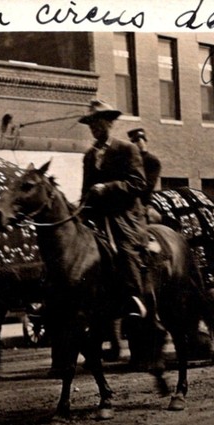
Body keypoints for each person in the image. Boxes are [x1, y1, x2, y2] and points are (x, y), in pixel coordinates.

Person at [79, 99, 151, 319]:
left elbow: (139, 184)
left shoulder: (126, 149)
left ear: (109, 123)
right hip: (98, 216)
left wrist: (108, 188)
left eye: (98, 123)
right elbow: (86, 190)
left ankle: (134, 298)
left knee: (124, 249)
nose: (94, 129)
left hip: (125, 215)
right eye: (91, 125)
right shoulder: (89, 156)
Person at [127, 127, 162, 218]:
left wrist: (133, 193)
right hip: (128, 198)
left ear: (145, 141)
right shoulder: (129, 160)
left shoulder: (152, 160)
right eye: (137, 141)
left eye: (142, 140)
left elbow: (150, 185)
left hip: (144, 200)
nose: (140, 143)